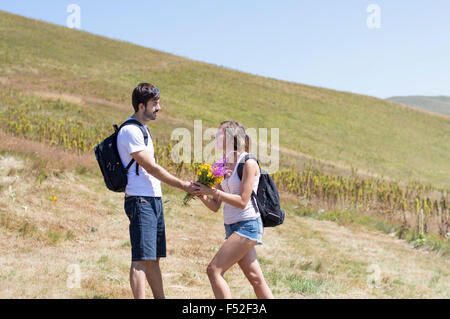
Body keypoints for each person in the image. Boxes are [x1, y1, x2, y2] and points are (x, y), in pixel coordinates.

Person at [117, 83, 196, 299]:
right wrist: (181, 184)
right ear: (141, 106)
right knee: (141, 258)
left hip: (153, 199)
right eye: (154, 103)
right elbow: (150, 167)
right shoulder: (130, 130)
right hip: (140, 200)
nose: (158, 107)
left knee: (153, 258)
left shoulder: (143, 130)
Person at [191, 121, 274, 299]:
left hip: (248, 225)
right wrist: (201, 194)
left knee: (213, 270)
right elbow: (215, 206)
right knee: (256, 279)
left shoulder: (248, 162)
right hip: (232, 227)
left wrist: (212, 191)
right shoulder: (222, 164)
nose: (215, 137)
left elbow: (243, 201)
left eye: (219, 134)